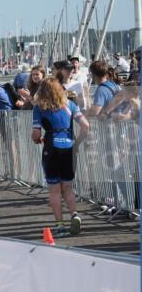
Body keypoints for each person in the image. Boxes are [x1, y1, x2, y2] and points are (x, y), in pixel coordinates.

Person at [32, 76, 89, 237]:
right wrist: (77, 143)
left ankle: (60, 226)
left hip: (51, 148)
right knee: (67, 187)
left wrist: (38, 139)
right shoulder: (71, 105)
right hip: (68, 147)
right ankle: (74, 214)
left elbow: (35, 134)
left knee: (54, 190)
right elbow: (85, 125)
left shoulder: (39, 108)